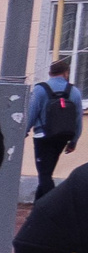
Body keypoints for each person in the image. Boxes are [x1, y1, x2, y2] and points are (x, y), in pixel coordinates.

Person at [28, 58, 79, 202]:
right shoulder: (73, 91)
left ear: (50, 72)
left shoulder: (40, 89)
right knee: (47, 172)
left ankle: (56, 205)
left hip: (42, 137)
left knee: (44, 174)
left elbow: (32, 112)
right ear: (66, 73)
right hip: (63, 137)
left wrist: (24, 131)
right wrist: (73, 141)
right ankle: (37, 208)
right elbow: (77, 120)